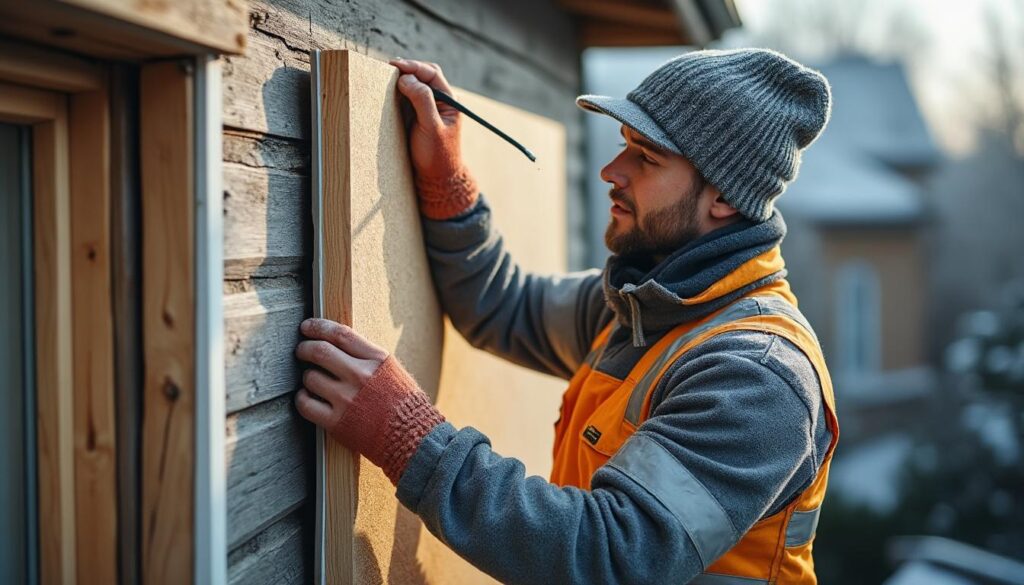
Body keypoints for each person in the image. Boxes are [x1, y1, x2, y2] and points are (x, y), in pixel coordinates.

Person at [294, 48, 838, 584]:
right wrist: (445, 182)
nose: (610, 171)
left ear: (724, 197)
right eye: (624, 145)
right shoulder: (642, 308)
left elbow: (610, 555)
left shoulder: (757, 375)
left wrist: (408, 438)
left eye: (645, 158)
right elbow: (499, 306)